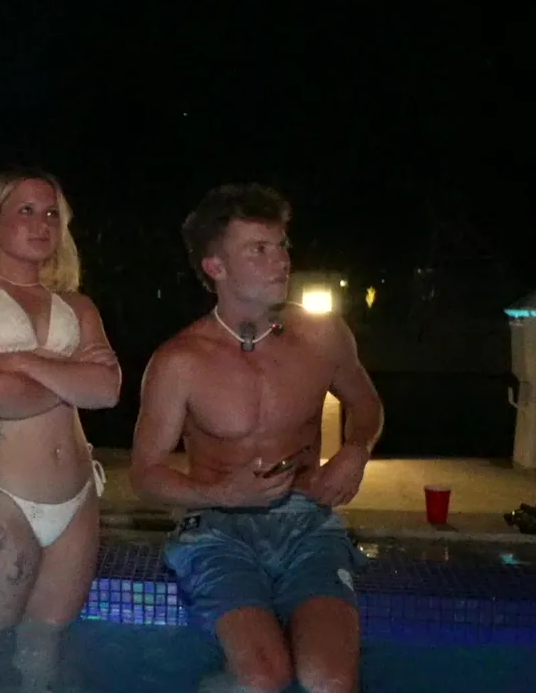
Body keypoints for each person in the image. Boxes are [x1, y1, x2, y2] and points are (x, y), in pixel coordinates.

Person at [129, 184, 384, 693]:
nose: (281, 260)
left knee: (332, 680)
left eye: (282, 245)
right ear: (216, 267)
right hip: (217, 529)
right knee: (264, 678)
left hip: (307, 522)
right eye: (259, 249)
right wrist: (222, 493)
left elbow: (367, 405)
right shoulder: (180, 361)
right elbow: (145, 475)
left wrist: (355, 451)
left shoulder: (322, 335)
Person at [0, 167, 121, 691]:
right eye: (26, 211)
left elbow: (108, 391)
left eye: (52, 213)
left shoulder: (78, 304)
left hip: (77, 498)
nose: (43, 224)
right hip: (4, 501)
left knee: (45, 646)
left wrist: (22, 361)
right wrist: (70, 379)